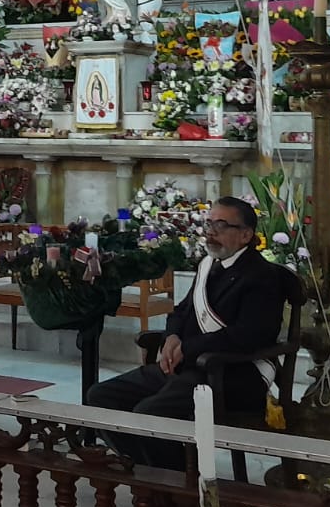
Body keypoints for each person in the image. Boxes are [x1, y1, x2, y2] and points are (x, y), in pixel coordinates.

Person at [87, 197, 284, 470]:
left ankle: (180, 490)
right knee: (100, 397)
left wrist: (188, 348)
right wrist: (172, 337)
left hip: (231, 375)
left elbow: (249, 336)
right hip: (187, 368)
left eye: (221, 225)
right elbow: (181, 311)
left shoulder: (261, 276)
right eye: (208, 223)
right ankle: (156, 475)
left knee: (150, 414)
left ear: (245, 235)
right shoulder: (208, 265)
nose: (210, 231)